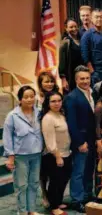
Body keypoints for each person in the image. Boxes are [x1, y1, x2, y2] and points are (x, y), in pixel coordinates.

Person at [3, 86, 43, 215]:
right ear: (20, 99)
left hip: (37, 154)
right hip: (21, 156)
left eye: (32, 96)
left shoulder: (39, 113)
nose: (30, 99)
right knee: (22, 185)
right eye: (26, 97)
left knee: (34, 183)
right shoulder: (13, 116)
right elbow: (7, 137)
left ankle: (32, 210)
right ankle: (22, 211)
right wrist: (10, 157)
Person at [64, 66, 95, 213]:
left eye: (87, 78)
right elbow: (71, 123)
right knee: (78, 171)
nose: (85, 81)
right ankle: (77, 200)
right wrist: (79, 142)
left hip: (93, 139)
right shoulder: (72, 97)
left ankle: (87, 195)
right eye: (81, 78)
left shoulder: (93, 93)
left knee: (89, 169)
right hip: (81, 140)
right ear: (76, 80)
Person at [40, 91, 72, 215]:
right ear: (48, 103)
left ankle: (57, 201)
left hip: (66, 152)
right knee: (55, 181)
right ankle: (54, 207)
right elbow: (49, 141)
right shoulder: (48, 118)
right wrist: (57, 156)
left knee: (63, 179)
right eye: (53, 101)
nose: (57, 103)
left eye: (59, 100)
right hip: (54, 155)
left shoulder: (60, 114)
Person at [81, 8, 102, 85]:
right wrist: (92, 73)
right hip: (96, 72)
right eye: (96, 17)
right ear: (91, 19)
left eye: (101, 17)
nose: (99, 19)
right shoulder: (87, 35)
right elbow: (85, 57)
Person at [59, 18, 84, 93]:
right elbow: (62, 63)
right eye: (71, 27)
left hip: (82, 74)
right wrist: (63, 79)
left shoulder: (82, 40)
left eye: (75, 26)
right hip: (71, 76)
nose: (74, 29)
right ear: (66, 28)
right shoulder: (65, 43)